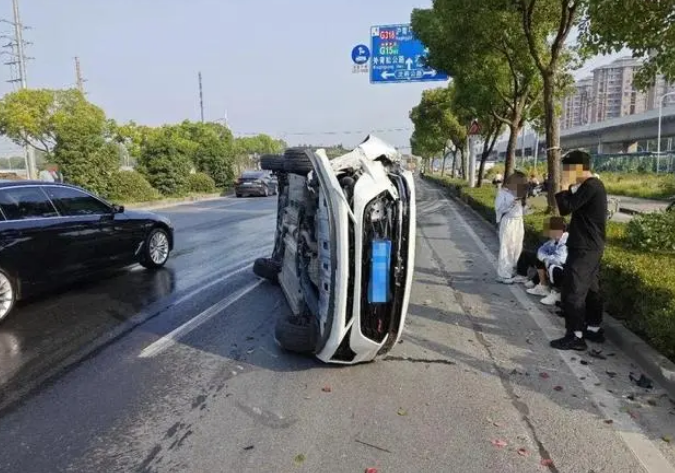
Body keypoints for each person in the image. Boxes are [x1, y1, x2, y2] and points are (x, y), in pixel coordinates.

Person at [550, 150, 608, 351]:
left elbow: (566, 208)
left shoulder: (591, 186)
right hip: (589, 245)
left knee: (573, 291)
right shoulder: (592, 186)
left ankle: (575, 336)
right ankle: (593, 328)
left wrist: (564, 187)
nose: (565, 173)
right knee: (592, 289)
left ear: (578, 169)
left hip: (584, 247)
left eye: (567, 170)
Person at [523, 216, 569, 306]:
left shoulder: (566, 241)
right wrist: (545, 258)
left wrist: (546, 259)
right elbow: (541, 250)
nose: (547, 232)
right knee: (540, 259)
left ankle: (557, 293)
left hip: (565, 269)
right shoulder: (554, 239)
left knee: (553, 267)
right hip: (554, 264)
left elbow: (559, 260)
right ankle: (543, 287)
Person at [495, 171, 528, 284]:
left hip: (519, 222)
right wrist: (511, 203)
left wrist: (528, 208)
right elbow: (499, 209)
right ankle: (503, 274)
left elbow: (523, 211)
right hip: (508, 222)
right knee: (506, 247)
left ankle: (514, 271)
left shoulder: (521, 193)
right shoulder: (503, 193)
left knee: (517, 247)